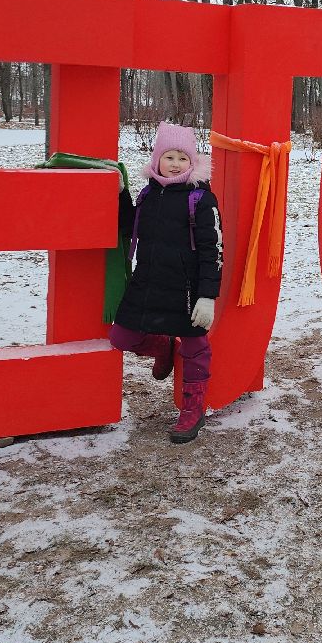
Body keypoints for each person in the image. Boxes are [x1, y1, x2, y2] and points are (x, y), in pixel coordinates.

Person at [109, 122, 223, 444]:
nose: (175, 164)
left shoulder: (201, 199)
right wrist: (121, 194)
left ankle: (193, 409)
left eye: (182, 158)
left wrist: (207, 296)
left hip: (187, 289)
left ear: (192, 162)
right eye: (169, 156)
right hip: (149, 282)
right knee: (121, 336)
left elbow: (212, 248)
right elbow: (131, 227)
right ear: (157, 159)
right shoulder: (149, 193)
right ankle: (161, 345)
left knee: (195, 347)